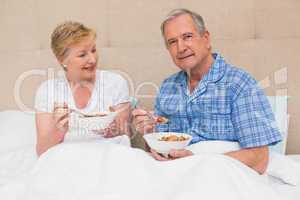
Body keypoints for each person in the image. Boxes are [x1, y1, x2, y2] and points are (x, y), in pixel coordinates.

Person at [132, 9, 282, 174]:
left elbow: (259, 159)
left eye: (187, 36)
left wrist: (197, 162)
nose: (180, 47)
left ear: (206, 38)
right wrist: (150, 133)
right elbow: (160, 148)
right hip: (175, 175)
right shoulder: (168, 87)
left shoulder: (239, 84)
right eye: (172, 42)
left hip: (222, 176)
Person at [35, 21, 131, 156]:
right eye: (82, 55)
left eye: (93, 50)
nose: (92, 59)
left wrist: (115, 130)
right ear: (62, 59)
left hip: (109, 155)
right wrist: (59, 130)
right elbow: (42, 151)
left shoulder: (115, 82)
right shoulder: (47, 91)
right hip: (67, 159)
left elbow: (125, 135)